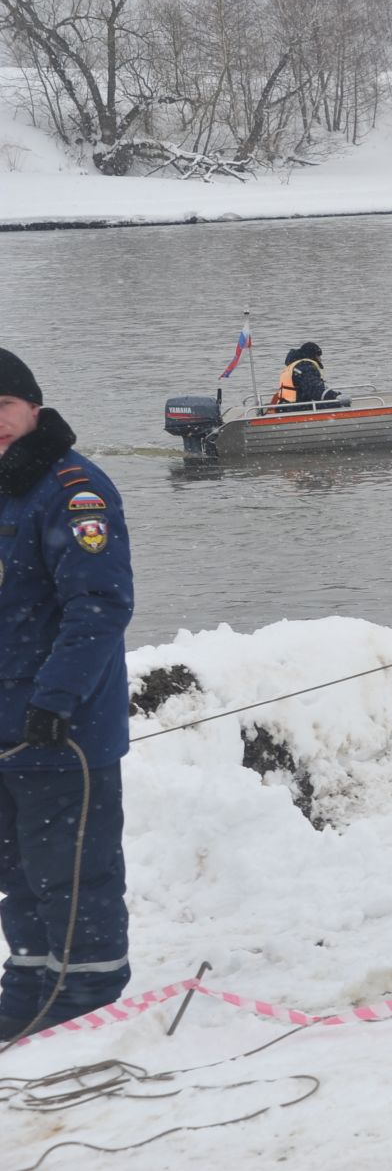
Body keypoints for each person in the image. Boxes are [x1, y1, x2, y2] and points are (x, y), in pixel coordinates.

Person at [0, 349, 134, 1043]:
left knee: (74, 872)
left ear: (31, 406)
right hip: (3, 731)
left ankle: (90, 996)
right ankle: (28, 985)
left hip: (63, 729)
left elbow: (100, 605)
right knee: (17, 874)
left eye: (0, 407)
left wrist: (54, 699)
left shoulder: (75, 490)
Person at [271, 342, 340, 408]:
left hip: (287, 405)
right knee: (338, 404)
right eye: (318, 356)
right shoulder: (305, 367)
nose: (320, 359)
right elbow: (315, 389)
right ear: (312, 356)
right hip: (296, 407)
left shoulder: (294, 366)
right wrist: (336, 396)